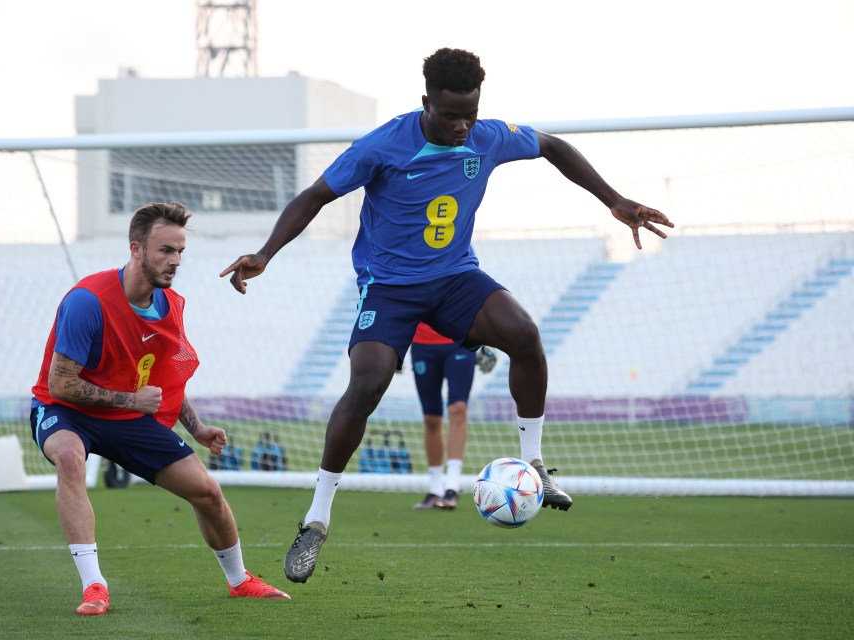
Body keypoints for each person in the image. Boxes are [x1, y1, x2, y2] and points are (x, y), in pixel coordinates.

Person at [220, 48, 673, 584]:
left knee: (524, 335)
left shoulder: (488, 136)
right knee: (366, 385)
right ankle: (317, 518)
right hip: (388, 287)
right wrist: (267, 252)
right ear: (425, 103)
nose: (462, 127)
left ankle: (534, 466)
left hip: (456, 277)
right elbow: (315, 196)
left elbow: (552, 145)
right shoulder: (383, 145)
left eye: (470, 115)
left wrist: (614, 200)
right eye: (450, 115)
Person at [31, 201, 291, 615]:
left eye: (180, 251)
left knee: (206, 491)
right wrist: (132, 400)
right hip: (66, 411)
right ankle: (94, 587)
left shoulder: (170, 306)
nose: (175, 261)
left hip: (127, 416)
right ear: (136, 250)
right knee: (68, 456)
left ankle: (240, 580)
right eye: (165, 251)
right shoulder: (88, 301)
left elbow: (167, 379)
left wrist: (197, 427)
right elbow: (61, 384)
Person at [408, 322, 494, 511]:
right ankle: (435, 489)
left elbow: (475, 295)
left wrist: (486, 341)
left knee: (458, 408)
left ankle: (452, 488)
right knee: (431, 419)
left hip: (459, 340)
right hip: (422, 344)